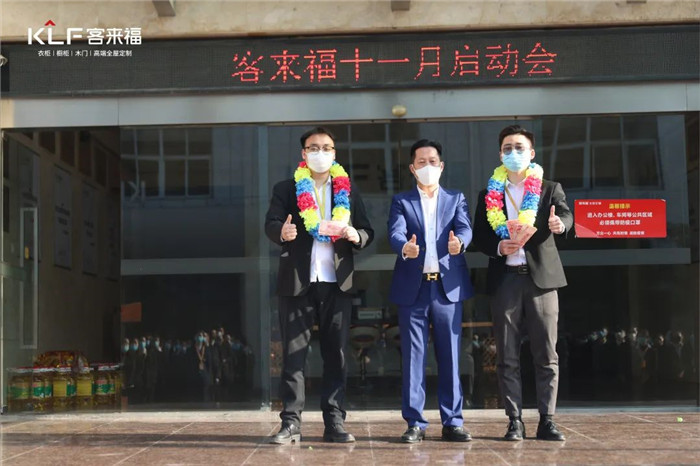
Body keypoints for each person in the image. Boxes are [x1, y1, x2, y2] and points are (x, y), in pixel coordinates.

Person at [264, 126, 374, 444]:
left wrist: (355, 235)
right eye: (314, 147)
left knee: (336, 355)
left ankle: (335, 422)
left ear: (334, 154)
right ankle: (290, 423)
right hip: (297, 282)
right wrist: (281, 232)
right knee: (293, 356)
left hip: (336, 283)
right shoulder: (286, 189)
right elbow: (271, 222)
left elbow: (367, 230)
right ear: (304, 153)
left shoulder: (347, 190)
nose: (320, 153)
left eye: (326, 148)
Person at [473, 125, 572, 442]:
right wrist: (498, 246)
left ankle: (547, 420)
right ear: (500, 154)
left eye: (519, 147)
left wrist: (559, 224)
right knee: (507, 356)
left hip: (541, 281)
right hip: (506, 281)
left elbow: (567, 217)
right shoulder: (488, 194)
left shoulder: (549, 188)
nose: (513, 153)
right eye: (507, 148)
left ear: (531, 153)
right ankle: (514, 420)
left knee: (546, 354)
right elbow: (479, 236)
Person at [388, 139, 474, 443]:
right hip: (413, 290)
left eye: (432, 161)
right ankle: (415, 422)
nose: (428, 166)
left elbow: (465, 228)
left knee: (450, 356)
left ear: (441, 166)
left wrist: (460, 243)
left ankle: (453, 422)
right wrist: (405, 248)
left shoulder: (455, 198)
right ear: (413, 168)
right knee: (414, 358)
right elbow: (395, 231)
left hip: (446, 288)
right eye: (421, 162)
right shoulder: (402, 200)